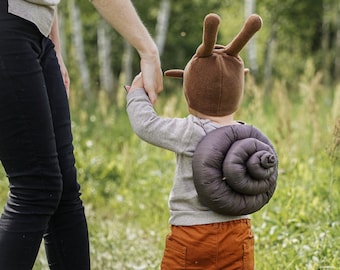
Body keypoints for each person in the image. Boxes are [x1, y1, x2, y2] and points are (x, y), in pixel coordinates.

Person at [0, 0, 162, 269]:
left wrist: (55, 51)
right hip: (8, 27)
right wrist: (149, 51)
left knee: (63, 190)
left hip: (35, 33)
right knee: (37, 188)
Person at [125, 13, 275, 269]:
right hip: (237, 231)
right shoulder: (247, 134)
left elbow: (146, 126)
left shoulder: (189, 131)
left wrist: (138, 94)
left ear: (190, 86)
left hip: (191, 234)